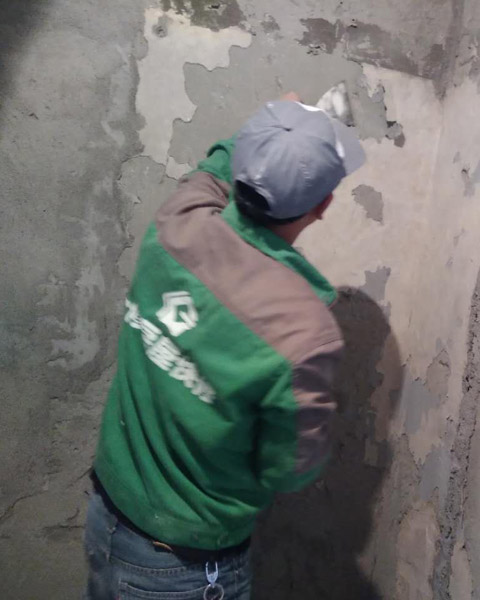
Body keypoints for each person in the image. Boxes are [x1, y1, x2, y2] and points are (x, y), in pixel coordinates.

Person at [83, 93, 365, 599]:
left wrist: (275, 125)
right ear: (323, 206)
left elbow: (212, 170)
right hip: (182, 566)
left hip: (108, 515)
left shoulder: (178, 221)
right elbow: (290, 468)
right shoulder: (302, 332)